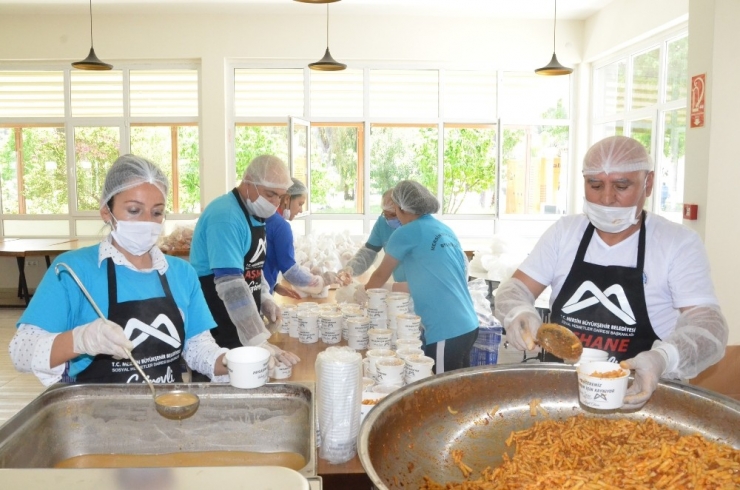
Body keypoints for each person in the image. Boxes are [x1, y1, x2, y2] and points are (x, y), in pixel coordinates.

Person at [493, 135, 728, 410]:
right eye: (595, 185)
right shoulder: (565, 233)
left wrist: (663, 358)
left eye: (621, 185)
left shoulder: (676, 243)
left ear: (648, 183)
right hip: (563, 395)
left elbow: (708, 325)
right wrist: (519, 313)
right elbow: (516, 288)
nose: (607, 198)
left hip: (641, 398)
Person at [9, 155, 229, 385]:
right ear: (106, 211)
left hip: (166, 411)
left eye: (156, 212)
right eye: (134, 210)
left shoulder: (182, 273)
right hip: (94, 414)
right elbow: (21, 351)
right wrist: (81, 340)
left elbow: (197, 347)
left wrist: (231, 363)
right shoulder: (73, 271)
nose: (147, 222)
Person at [189, 155, 300, 369]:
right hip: (218, 319)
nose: (275, 203)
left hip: (239, 318)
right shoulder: (227, 216)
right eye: (270, 194)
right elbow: (231, 285)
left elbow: (252, 267)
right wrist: (259, 340)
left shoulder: (254, 214)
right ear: (248, 181)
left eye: (280, 196)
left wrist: (264, 298)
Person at [358, 180, 479, 373]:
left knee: (441, 394)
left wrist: (361, 294)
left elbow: (380, 275)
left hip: (445, 331)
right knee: (460, 391)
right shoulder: (442, 229)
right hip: (469, 324)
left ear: (400, 207)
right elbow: (434, 280)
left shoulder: (405, 233)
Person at [263, 178, 338, 299]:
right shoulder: (280, 226)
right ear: (287, 198)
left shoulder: (264, 218)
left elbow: (263, 260)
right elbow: (290, 271)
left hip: (255, 288)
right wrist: (320, 281)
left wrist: (274, 285)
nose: (300, 210)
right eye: (300, 204)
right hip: (257, 294)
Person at [338, 188, 406, 286]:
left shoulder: (415, 227)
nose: (389, 219)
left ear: (403, 210)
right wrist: (350, 269)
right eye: (385, 214)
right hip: (399, 282)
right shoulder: (382, 223)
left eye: (392, 215)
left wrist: (369, 288)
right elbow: (368, 252)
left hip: (419, 283)